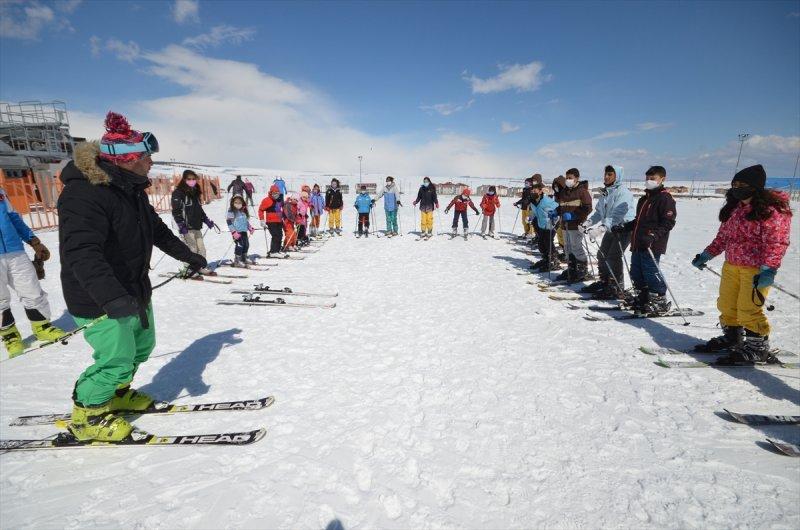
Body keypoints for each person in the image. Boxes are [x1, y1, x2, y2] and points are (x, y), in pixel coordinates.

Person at [57, 111, 206, 442]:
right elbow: (82, 254)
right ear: (127, 160)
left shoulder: (130, 188)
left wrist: (190, 256)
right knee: (116, 360)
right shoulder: (85, 194)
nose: (152, 161)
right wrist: (111, 298)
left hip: (133, 289)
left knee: (141, 347)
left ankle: (118, 394)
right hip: (100, 297)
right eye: (146, 156)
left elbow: (155, 230)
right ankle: (88, 417)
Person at [691, 165, 792, 364]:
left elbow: (776, 242)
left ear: (755, 187)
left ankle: (758, 347)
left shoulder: (772, 210)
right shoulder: (735, 208)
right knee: (727, 305)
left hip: (756, 269)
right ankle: (733, 338)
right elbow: (723, 237)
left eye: (742, 184)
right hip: (732, 265)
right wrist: (707, 254)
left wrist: (769, 269)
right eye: (734, 184)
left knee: (748, 308)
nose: (736, 188)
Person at [0, 188, 65, 357]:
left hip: (15, 250)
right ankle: (10, 337)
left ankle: (42, 327)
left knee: (32, 290)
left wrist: (33, 241)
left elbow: (13, 218)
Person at [612, 165, 676, 315]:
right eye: (647, 178)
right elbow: (638, 222)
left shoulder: (665, 198)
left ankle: (659, 300)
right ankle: (643, 297)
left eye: (652, 179)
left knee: (651, 271)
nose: (648, 181)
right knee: (636, 272)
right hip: (638, 242)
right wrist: (624, 227)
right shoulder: (644, 199)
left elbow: (668, 222)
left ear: (662, 179)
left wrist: (653, 236)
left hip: (652, 244)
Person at [580, 165, 635, 299]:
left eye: (610, 174)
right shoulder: (606, 193)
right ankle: (605, 282)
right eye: (605, 174)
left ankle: (616, 286)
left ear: (618, 176)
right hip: (610, 228)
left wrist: (601, 228)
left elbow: (617, 215)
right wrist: (589, 222)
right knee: (602, 255)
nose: (606, 177)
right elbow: (599, 212)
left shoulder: (623, 192)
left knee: (613, 256)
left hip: (623, 228)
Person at [549, 168, 592, 282]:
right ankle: (571, 269)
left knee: (576, 247)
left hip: (576, 225)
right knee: (567, 248)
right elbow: (562, 206)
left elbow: (588, 208)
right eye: (567, 178)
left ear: (577, 178)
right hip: (565, 225)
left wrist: (574, 215)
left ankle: (582, 269)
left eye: (570, 178)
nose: (568, 180)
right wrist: (556, 212)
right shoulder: (564, 192)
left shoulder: (582, 191)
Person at [171, 169, 216, 275]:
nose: (191, 181)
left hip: (196, 225)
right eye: (189, 179)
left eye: (193, 179)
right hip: (186, 227)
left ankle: (199, 267)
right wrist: (181, 225)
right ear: (184, 179)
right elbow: (176, 211)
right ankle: (189, 269)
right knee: (192, 249)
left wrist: (206, 220)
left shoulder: (195, 191)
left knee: (202, 249)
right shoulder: (178, 193)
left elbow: (198, 209)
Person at [528, 183, 560, 271]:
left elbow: (558, 209)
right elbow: (534, 212)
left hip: (552, 223)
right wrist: (530, 217)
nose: (533, 192)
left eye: (535, 191)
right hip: (542, 224)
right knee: (541, 243)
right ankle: (546, 259)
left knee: (548, 241)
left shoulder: (546, 201)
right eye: (532, 191)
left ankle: (554, 261)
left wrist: (554, 219)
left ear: (540, 191)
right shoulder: (533, 202)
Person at [227, 195, 255, 267]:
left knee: (246, 244)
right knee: (240, 245)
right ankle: (237, 260)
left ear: (242, 203)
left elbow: (245, 221)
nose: (238, 204)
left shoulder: (243, 211)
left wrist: (250, 228)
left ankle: (244, 258)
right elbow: (229, 222)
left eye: (239, 202)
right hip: (237, 232)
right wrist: (234, 232)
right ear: (233, 203)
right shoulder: (231, 211)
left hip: (243, 231)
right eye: (236, 202)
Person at [259, 184, 284, 257]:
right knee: (275, 235)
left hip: (279, 221)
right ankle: (273, 251)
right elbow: (261, 210)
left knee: (280, 235)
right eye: (274, 193)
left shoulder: (279, 200)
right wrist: (262, 220)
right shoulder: (267, 200)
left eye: (277, 193)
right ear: (271, 193)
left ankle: (277, 250)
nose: (275, 195)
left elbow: (282, 209)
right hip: (271, 222)